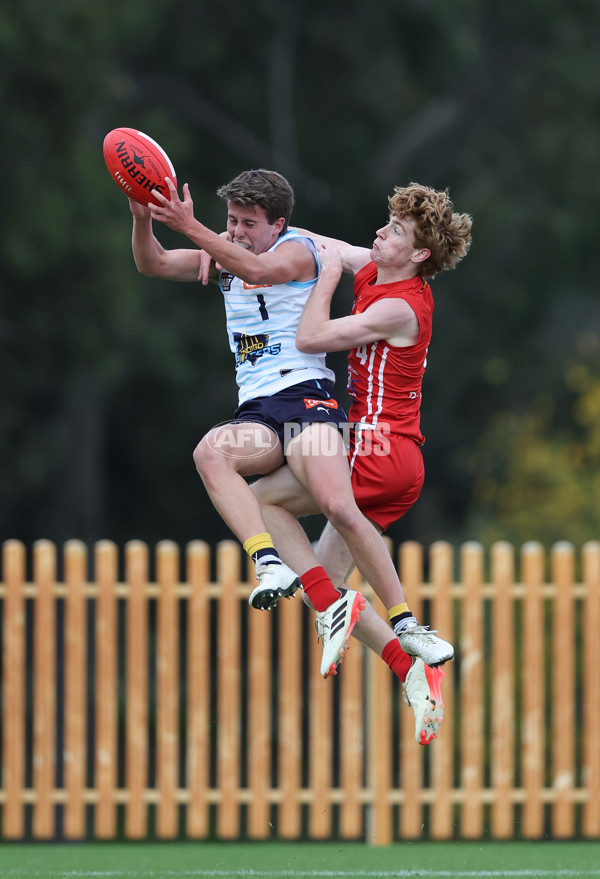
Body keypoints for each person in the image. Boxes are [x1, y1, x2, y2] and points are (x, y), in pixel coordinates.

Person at [129, 168, 453, 686]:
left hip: (320, 409)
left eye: (247, 222)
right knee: (217, 460)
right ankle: (382, 648)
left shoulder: (297, 252)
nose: (235, 230)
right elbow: (154, 262)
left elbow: (268, 274)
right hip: (265, 415)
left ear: (277, 224)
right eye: (230, 220)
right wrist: (141, 213)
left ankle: (406, 623)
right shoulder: (230, 252)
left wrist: (193, 227)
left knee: (337, 507)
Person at [249, 181, 472, 743]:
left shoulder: (401, 305)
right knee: (329, 589)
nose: (380, 231)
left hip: (376, 449)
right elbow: (329, 246)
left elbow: (311, 337)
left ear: (419, 255)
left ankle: (401, 622)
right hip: (398, 459)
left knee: (261, 501)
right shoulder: (379, 270)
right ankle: (410, 668)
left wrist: (322, 278)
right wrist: (267, 241)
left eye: (395, 230)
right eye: (387, 221)